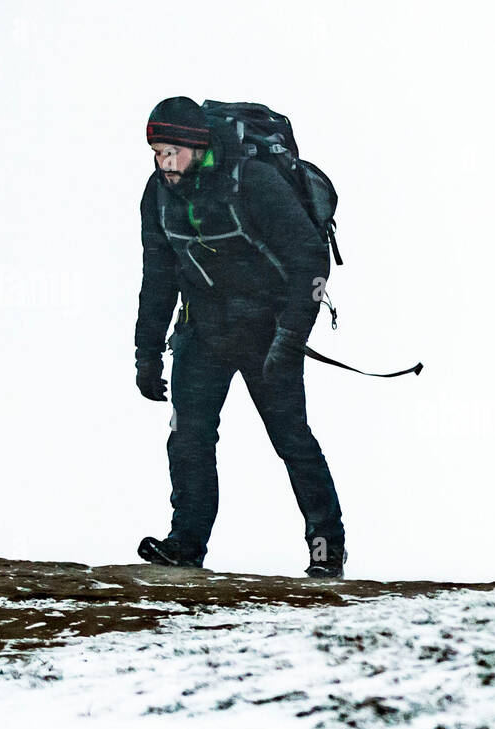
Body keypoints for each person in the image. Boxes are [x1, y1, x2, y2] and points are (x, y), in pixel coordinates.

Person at [134, 96, 347, 576]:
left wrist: (291, 336)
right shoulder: (157, 195)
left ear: (198, 146)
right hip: (202, 331)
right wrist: (146, 354)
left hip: (270, 334)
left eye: (174, 152)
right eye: (158, 152)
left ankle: (325, 550)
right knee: (189, 438)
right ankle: (184, 546)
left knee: (291, 439)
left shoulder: (253, 181)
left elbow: (309, 259)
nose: (166, 163)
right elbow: (157, 275)